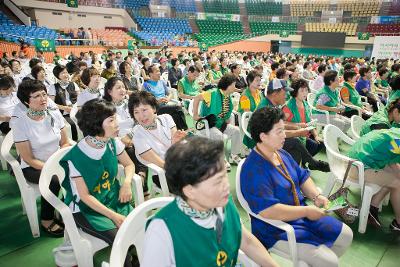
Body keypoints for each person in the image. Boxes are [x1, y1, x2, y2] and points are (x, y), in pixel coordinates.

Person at [141, 137, 279, 267]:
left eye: (225, 175)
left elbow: (247, 241)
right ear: (190, 191)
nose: (226, 185)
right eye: (218, 181)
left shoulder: (224, 203)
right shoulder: (162, 229)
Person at [241, 107, 353, 267]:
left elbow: (302, 177)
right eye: (279, 131)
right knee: (329, 261)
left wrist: (316, 196)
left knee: (346, 235)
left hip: (300, 214)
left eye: (283, 130)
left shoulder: (280, 154)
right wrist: (307, 211)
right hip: (274, 228)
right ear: (263, 136)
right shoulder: (254, 169)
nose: (284, 135)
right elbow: (268, 210)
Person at [59, 99, 136, 267]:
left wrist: (126, 183)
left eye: (115, 118)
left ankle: (135, 258)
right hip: (86, 209)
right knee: (120, 238)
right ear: (96, 124)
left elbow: (129, 164)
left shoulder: (112, 142)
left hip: (111, 197)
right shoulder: (76, 156)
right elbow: (85, 197)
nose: (117, 124)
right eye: (111, 120)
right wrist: (114, 216)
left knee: (137, 227)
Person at [11, 79, 70, 236]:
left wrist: (58, 161)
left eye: (44, 94)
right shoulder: (20, 123)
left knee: (79, 171)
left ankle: (65, 208)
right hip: (33, 166)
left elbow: (65, 142)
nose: (43, 98)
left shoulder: (54, 114)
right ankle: (47, 218)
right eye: (36, 96)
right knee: (54, 180)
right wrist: (52, 167)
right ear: (26, 101)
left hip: (56, 160)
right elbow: (28, 158)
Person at [257, 78, 330, 172]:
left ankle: (294, 173)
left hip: (270, 139)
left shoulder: (272, 105)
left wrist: (298, 129)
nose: (286, 96)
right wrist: (297, 132)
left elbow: (279, 128)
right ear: (275, 93)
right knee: (295, 142)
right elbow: (274, 133)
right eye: (284, 93)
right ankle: (312, 163)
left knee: (298, 147)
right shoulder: (266, 109)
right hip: (263, 143)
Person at [128, 90, 187, 187]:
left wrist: (176, 142)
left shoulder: (166, 118)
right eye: (136, 112)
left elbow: (176, 150)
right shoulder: (138, 136)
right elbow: (161, 164)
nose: (141, 116)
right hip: (164, 173)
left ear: (154, 108)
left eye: (144, 110)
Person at [347, 127, 400, 231]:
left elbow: (392, 162)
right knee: (397, 184)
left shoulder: (396, 133)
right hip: (356, 168)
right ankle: (399, 223)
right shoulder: (398, 141)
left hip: (354, 160)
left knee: (395, 175)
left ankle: (372, 207)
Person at [193, 74, 242, 166]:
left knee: (236, 131)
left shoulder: (227, 96)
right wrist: (195, 115)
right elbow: (197, 98)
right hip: (208, 124)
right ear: (228, 85)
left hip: (219, 124)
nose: (235, 87)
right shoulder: (212, 93)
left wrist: (227, 121)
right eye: (234, 85)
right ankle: (220, 160)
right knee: (220, 136)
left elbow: (226, 114)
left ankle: (234, 155)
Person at [282, 78, 325, 157]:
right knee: (314, 145)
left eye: (306, 90)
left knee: (321, 143)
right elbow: (281, 123)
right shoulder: (288, 106)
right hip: (294, 136)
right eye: (302, 91)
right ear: (295, 92)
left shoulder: (305, 104)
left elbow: (309, 123)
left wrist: (316, 135)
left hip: (305, 133)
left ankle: (306, 160)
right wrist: (298, 125)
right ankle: (305, 160)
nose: (305, 93)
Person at [143, 64, 187, 130]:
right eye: (157, 71)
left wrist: (168, 98)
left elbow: (170, 93)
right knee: (177, 108)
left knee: (175, 114)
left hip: (165, 104)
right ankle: (185, 129)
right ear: (151, 74)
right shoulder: (146, 85)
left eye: (159, 71)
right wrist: (157, 101)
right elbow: (146, 101)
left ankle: (178, 131)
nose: (159, 73)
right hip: (156, 107)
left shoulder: (161, 82)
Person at [48, 65, 80, 141]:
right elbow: (51, 103)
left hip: (75, 110)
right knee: (72, 124)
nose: (66, 75)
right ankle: (73, 143)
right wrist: (64, 108)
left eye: (66, 72)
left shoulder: (73, 84)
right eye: (62, 73)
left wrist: (75, 107)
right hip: (62, 113)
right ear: (57, 75)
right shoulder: (53, 87)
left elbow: (80, 99)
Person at [238, 70, 266, 149]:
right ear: (250, 81)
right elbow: (247, 113)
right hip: (248, 121)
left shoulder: (259, 93)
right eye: (257, 80)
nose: (259, 82)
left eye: (259, 80)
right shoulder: (245, 95)